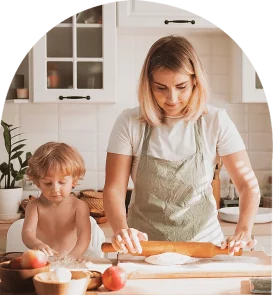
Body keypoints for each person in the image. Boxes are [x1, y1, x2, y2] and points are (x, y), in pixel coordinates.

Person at [103, 35, 260, 256]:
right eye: (161, 88)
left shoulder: (215, 121)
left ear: (195, 81)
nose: (172, 98)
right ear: (148, 84)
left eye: (181, 86)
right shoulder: (129, 122)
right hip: (144, 250)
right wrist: (121, 230)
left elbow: (247, 185)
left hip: (205, 249)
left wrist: (244, 230)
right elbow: (114, 189)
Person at [22, 142, 91, 260]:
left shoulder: (79, 206)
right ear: (38, 182)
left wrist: (74, 256)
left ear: (73, 181)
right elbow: (27, 233)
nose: (55, 189)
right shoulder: (34, 206)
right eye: (48, 183)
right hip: (42, 260)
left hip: (71, 260)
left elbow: (84, 236)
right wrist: (37, 244)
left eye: (62, 182)